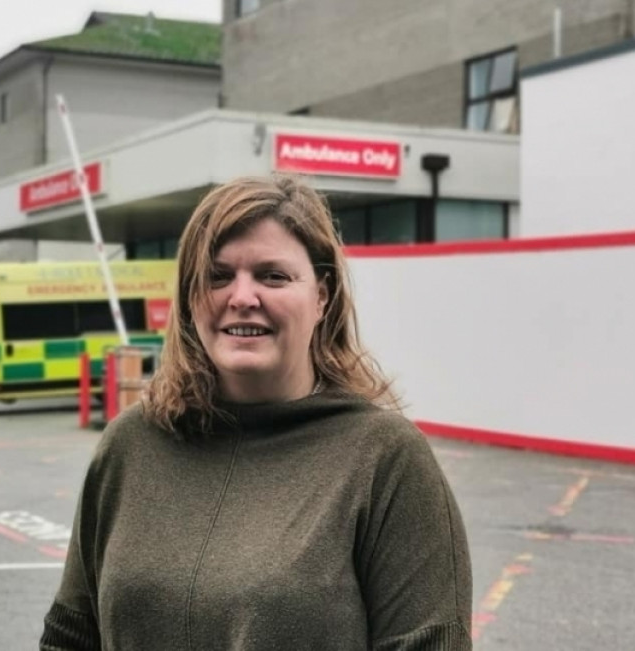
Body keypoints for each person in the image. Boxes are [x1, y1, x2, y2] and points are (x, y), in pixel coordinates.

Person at [41, 174, 472, 650]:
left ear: (322, 297)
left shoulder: (385, 461)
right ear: (190, 297)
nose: (242, 297)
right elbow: (71, 637)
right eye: (218, 276)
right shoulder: (131, 445)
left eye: (273, 276)